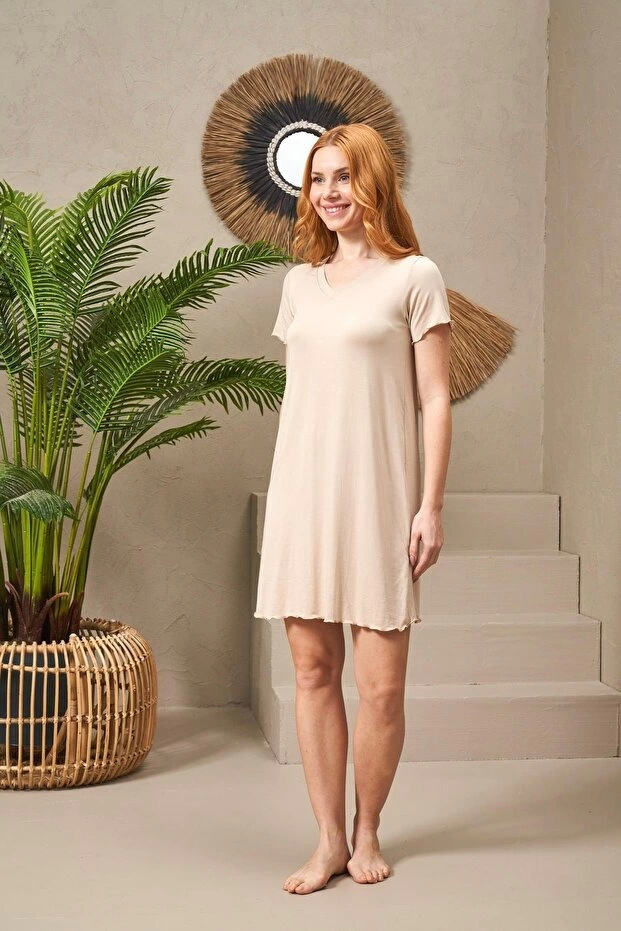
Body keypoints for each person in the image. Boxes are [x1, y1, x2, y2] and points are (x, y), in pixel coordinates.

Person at [254, 123, 453, 894]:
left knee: (380, 689)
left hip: (379, 499)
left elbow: (434, 399)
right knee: (311, 671)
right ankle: (328, 838)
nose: (329, 192)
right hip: (304, 496)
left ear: (372, 183)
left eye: (342, 176)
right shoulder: (298, 285)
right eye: (317, 179)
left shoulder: (415, 277)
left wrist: (428, 505)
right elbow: (309, 397)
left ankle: (368, 827)